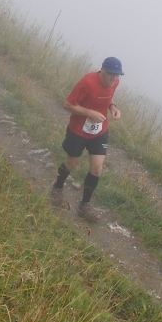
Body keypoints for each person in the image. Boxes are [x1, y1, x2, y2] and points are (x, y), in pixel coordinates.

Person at [49, 57, 123, 220]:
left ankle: (85, 205)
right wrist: (89, 113)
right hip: (78, 130)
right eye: (111, 74)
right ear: (102, 70)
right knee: (72, 163)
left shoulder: (114, 82)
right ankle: (57, 188)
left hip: (99, 131)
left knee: (97, 169)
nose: (114, 79)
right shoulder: (87, 83)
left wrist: (112, 107)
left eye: (117, 76)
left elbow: (108, 96)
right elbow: (67, 104)